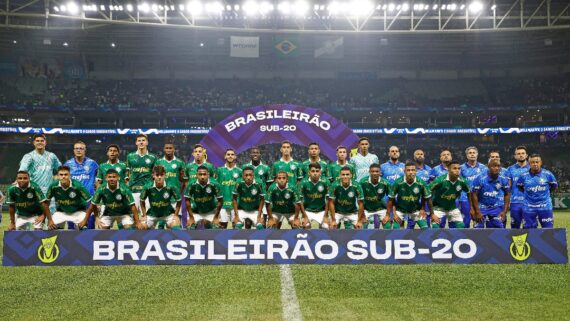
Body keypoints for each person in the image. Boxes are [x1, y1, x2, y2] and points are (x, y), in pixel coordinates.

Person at [79, 169, 144, 230]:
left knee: (129, 229)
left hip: (124, 213)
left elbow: (132, 206)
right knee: (101, 229)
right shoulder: (101, 189)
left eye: (114, 177)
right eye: (109, 177)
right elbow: (92, 206)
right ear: (106, 178)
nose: (112, 179)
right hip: (108, 213)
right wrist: (91, 219)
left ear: (118, 178)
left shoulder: (125, 189)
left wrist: (138, 222)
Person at [18, 134, 61, 216]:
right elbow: (22, 170)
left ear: (45, 142)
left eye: (42, 141)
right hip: (34, 191)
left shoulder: (51, 156)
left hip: (49, 192)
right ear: (34, 143)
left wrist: (57, 177)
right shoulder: (28, 156)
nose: (40, 142)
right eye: (37, 141)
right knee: (34, 219)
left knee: (51, 219)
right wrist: (18, 180)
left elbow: (60, 169)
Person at [386, 162, 432, 230]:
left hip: (415, 210)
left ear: (416, 171)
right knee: (396, 228)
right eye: (408, 170)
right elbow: (391, 199)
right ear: (404, 171)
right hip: (400, 210)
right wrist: (393, 213)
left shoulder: (421, 183)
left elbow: (426, 197)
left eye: (413, 170)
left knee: (425, 228)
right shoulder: (398, 182)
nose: (411, 172)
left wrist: (422, 209)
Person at [516, 154, 557, 229]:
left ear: (541, 162)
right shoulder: (523, 176)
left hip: (545, 207)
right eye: (532, 162)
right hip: (529, 207)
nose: (535, 164)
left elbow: (554, 186)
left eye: (537, 162)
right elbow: (520, 187)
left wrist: (544, 195)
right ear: (529, 163)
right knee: (528, 231)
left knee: (548, 230)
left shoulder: (548, 174)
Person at [64, 141, 99, 229]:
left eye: (81, 148)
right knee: (71, 229)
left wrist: (97, 197)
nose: (79, 150)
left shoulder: (92, 163)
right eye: (76, 148)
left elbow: (99, 179)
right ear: (73, 150)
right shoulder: (68, 164)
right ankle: (71, 243)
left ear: (85, 150)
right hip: (72, 199)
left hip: (89, 200)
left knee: (90, 227)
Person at [429, 161, 470, 228]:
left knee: (461, 226)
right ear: (448, 170)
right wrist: (432, 213)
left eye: (459, 169)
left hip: (452, 208)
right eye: (454, 168)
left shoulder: (463, 181)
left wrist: (472, 209)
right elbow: (427, 193)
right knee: (435, 227)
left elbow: (469, 193)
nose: (457, 171)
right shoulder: (440, 180)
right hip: (438, 208)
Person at [139, 165, 182, 229]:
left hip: (168, 214)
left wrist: (175, 215)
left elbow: (179, 201)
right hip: (152, 215)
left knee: (176, 226)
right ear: (153, 175)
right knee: (141, 227)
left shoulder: (171, 186)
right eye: (157, 175)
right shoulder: (147, 187)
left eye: (161, 175)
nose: (159, 177)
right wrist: (144, 215)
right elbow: (142, 201)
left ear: (165, 175)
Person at [471, 160, 511, 228]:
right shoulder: (480, 178)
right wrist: (477, 211)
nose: (496, 168)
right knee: (478, 228)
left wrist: (504, 212)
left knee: (499, 227)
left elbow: (507, 194)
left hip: (495, 207)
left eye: (498, 166)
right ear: (488, 167)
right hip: (481, 207)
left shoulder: (503, 179)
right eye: (494, 166)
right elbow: (474, 194)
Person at [126, 134, 157, 216]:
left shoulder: (153, 157)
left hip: (147, 191)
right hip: (133, 190)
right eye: (139, 141)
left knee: (148, 217)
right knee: (132, 217)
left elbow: (155, 175)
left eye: (143, 140)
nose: (141, 142)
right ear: (136, 143)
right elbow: (127, 175)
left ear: (147, 142)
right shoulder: (130, 156)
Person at [459, 146, 486, 228]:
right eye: (470, 153)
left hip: (479, 199)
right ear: (467, 155)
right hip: (465, 199)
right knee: (465, 222)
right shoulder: (461, 168)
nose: (472, 154)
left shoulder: (484, 168)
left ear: (477, 154)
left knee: (479, 222)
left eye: (474, 153)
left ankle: (478, 239)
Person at [298, 163, 330, 229]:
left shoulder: (326, 182)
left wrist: (326, 216)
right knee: (305, 226)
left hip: (321, 211)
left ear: (320, 173)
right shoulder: (303, 183)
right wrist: (304, 216)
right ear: (309, 172)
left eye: (317, 171)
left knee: (326, 226)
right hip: (307, 211)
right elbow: (299, 201)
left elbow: (328, 200)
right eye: (313, 171)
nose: (315, 173)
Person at [216, 149, 243, 229]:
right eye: (228, 154)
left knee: (237, 228)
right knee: (222, 227)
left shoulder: (240, 171)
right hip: (223, 205)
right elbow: (215, 187)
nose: (230, 156)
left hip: (236, 205)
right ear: (225, 156)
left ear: (235, 156)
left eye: (232, 154)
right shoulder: (219, 170)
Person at [360, 164, 391, 229]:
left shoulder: (385, 183)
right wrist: (362, 215)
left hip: (381, 208)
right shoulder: (362, 182)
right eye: (372, 171)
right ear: (369, 172)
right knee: (361, 225)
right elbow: (359, 200)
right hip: (366, 209)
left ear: (380, 173)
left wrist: (387, 215)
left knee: (388, 225)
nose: (375, 173)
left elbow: (391, 199)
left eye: (377, 171)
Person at [507, 146, 530, 229]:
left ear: (526, 155)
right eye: (518, 154)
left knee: (529, 227)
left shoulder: (532, 168)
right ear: (515, 156)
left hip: (529, 202)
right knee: (514, 226)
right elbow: (508, 187)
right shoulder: (510, 169)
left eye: (523, 153)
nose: (521, 155)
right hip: (515, 202)